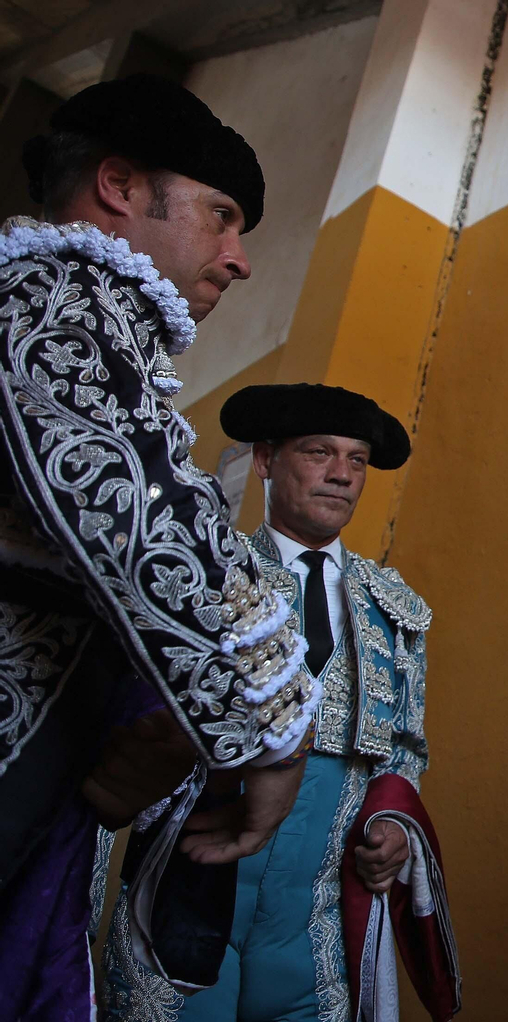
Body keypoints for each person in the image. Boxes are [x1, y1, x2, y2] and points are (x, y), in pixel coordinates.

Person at [0, 74, 319, 1021]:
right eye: (220, 218)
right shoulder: (51, 298)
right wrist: (279, 727)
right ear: (118, 187)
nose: (238, 260)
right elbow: (143, 519)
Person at [106, 383, 459, 1022]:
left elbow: (405, 750)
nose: (342, 475)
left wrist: (394, 832)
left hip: (320, 901)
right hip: (193, 878)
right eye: (320, 453)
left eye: (356, 460)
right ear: (266, 460)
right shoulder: (205, 573)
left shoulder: (392, 604)